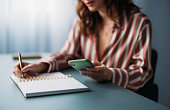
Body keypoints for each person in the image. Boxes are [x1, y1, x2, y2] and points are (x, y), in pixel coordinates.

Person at [13, 0, 152, 92]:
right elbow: (68, 53)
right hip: (89, 93)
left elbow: (142, 73)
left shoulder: (140, 24)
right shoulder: (83, 19)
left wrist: (110, 74)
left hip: (120, 98)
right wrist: (41, 65)